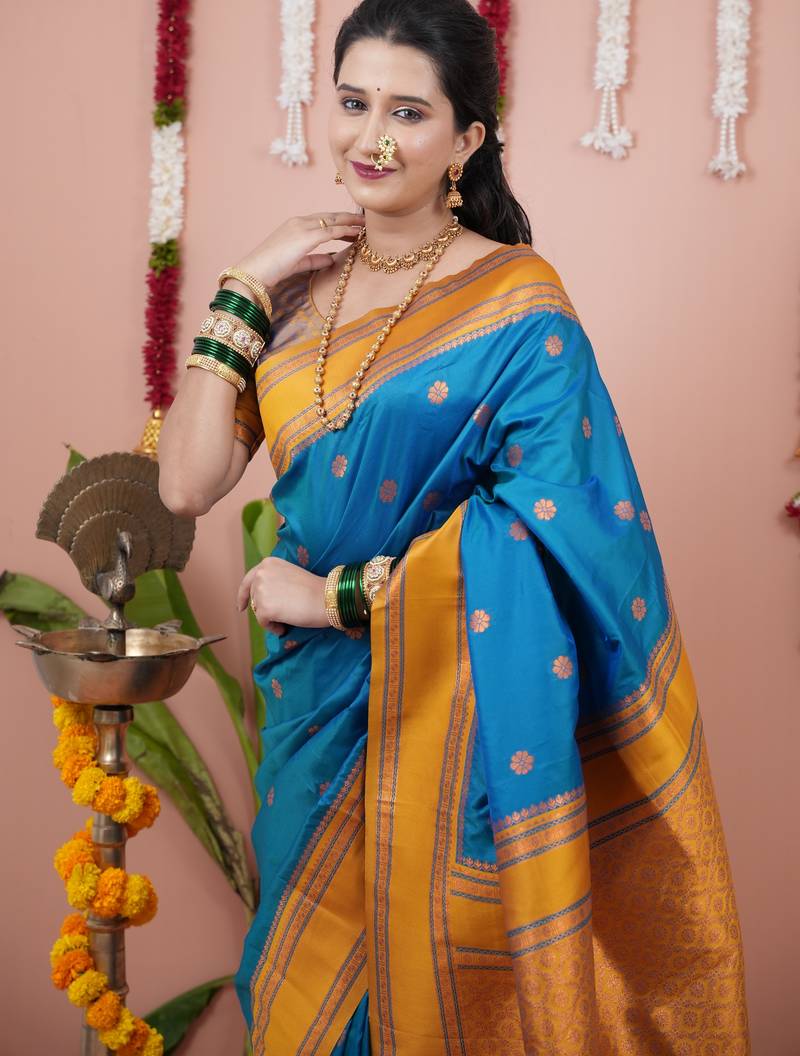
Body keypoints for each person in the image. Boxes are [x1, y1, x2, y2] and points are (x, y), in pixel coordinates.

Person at [158, 0, 751, 1052]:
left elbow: (560, 532)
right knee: (298, 998)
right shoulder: (291, 294)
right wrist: (241, 288)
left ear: (467, 139)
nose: (371, 138)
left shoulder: (516, 301)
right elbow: (186, 484)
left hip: (453, 711)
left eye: (408, 112)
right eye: (352, 103)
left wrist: (339, 598)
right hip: (313, 715)